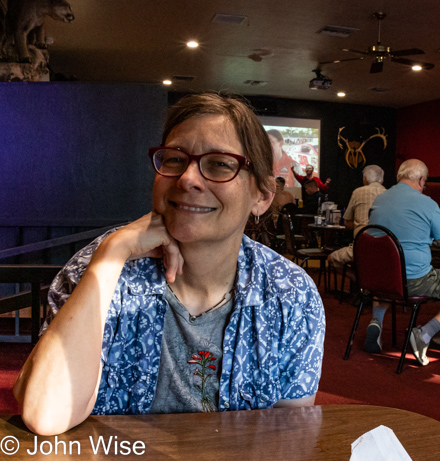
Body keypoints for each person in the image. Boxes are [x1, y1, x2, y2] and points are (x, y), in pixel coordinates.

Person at [14, 93, 325, 436]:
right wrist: (111, 256)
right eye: (175, 159)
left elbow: (290, 435)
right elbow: (46, 415)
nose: (187, 178)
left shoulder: (290, 294)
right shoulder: (96, 267)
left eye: (220, 164)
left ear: (261, 196)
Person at [366, 159, 440, 366]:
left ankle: (376, 322)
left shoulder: (379, 199)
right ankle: (425, 333)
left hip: (378, 278)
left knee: (390, 271)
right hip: (414, 280)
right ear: (421, 180)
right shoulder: (426, 203)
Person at [329, 164, 386, 267]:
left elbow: (347, 223)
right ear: (381, 179)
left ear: (365, 178)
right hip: (385, 248)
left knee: (331, 258)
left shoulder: (358, 192)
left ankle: (357, 279)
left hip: (361, 247)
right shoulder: (388, 194)